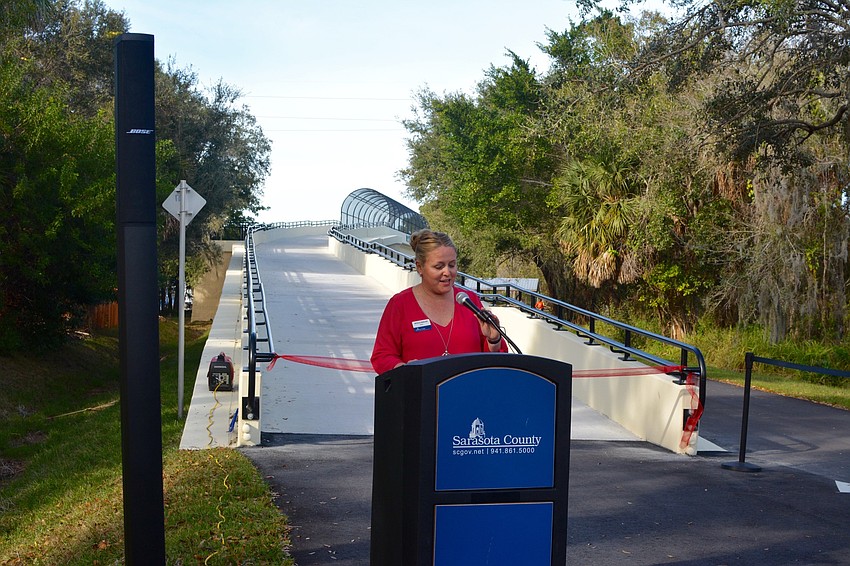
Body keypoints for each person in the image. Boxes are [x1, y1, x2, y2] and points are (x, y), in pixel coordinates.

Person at [370, 229, 508, 375]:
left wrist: (493, 339)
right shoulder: (399, 304)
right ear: (419, 267)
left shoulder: (470, 300)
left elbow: (496, 359)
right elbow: (382, 357)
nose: (447, 272)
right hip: (420, 394)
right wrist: (405, 371)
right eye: (439, 266)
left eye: (452, 265)